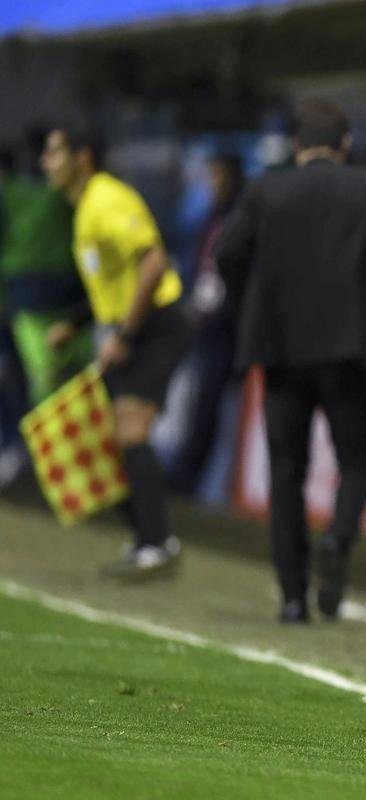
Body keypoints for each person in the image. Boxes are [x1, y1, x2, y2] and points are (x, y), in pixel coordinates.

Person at [214, 99, 366, 624]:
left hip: (282, 352)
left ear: (295, 145)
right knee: (356, 463)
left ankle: (292, 597)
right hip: (353, 349)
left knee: (286, 471)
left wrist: (251, 313)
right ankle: (337, 537)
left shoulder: (267, 190)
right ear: (345, 144)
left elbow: (225, 252)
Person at [41, 123, 192, 579]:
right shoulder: (85, 206)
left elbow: (153, 262)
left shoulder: (106, 200)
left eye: (54, 153)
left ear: (82, 156)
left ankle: (157, 543)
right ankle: (149, 536)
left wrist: (124, 336)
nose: (47, 163)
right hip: (129, 326)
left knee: (130, 428)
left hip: (156, 325)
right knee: (103, 438)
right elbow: (116, 279)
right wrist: (78, 322)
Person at [169, 153, 244, 492]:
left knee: (211, 405)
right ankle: (186, 471)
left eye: (218, 178)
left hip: (225, 326)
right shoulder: (210, 218)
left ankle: (195, 479)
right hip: (204, 321)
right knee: (194, 401)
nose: (212, 185)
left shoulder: (239, 220)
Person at [1, 134, 93, 406]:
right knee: (76, 384)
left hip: (36, 299)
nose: (45, 163)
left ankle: (38, 444)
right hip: (68, 299)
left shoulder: (18, 196)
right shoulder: (61, 196)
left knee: (45, 384)